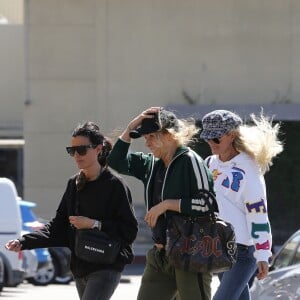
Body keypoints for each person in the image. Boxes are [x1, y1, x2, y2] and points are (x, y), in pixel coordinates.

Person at [5, 121, 138, 300]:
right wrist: (24, 242)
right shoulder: (73, 184)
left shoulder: (115, 185)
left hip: (106, 266)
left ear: (98, 149)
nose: (76, 155)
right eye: (72, 150)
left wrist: (94, 224)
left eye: (81, 150)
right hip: (80, 266)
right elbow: (57, 227)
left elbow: (129, 230)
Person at [107, 107, 218, 300]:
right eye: (144, 138)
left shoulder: (191, 161)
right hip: (159, 255)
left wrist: (166, 204)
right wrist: (130, 128)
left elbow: (207, 203)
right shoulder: (150, 164)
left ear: (169, 135)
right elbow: (115, 161)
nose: (147, 143)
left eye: (150, 136)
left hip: (190, 253)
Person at [199, 110, 283, 300]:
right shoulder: (208, 164)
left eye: (216, 138)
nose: (211, 143)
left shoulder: (249, 168)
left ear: (232, 135)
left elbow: (258, 211)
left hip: (243, 251)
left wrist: (263, 254)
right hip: (218, 246)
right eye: (207, 138)